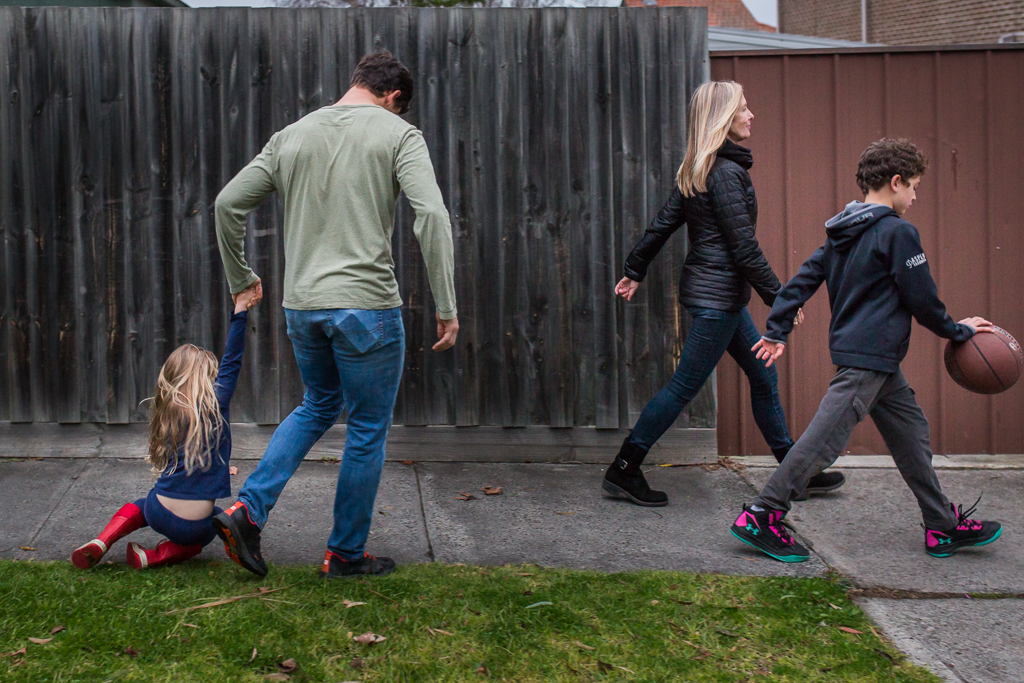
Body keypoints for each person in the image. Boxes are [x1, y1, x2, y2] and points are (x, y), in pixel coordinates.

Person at [212, 50, 458, 579]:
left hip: (302, 307)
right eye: (399, 108)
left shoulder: (291, 135)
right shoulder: (399, 135)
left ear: (356, 83)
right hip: (366, 308)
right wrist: (447, 306)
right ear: (393, 97)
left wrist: (241, 278)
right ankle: (344, 554)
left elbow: (227, 204)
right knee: (367, 427)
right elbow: (431, 216)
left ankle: (247, 510)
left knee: (317, 404)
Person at [732, 138, 1003, 562]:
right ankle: (762, 513)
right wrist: (958, 331)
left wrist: (777, 329)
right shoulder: (898, 232)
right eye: (913, 186)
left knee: (912, 436)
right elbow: (922, 298)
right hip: (866, 362)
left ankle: (941, 525)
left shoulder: (842, 229)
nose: (915, 196)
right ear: (895, 182)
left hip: (878, 364)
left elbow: (801, 280)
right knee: (822, 444)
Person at [604, 80, 844, 507]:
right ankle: (625, 467)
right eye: (743, 109)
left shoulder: (701, 168)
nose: (751, 116)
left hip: (722, 299)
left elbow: (662, 224)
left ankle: (793, 472)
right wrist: (780, 298)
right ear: (723, 119)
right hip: (717, 301)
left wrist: (634, 269)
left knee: (763, 376)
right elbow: (743, 247)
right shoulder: (727, 174)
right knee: (682, 388)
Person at [70, 289, 258, 570]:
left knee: (140, 504)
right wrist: (240, 309)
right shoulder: (216, 404)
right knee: (219, 520)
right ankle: (154, 556)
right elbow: (233, 358)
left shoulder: (167, 411)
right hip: (193, 526)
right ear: (207, 379)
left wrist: (220, 467)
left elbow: (188, 463)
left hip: (157, 510)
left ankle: (102, 540)